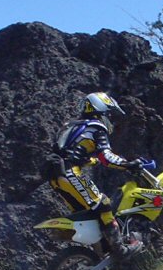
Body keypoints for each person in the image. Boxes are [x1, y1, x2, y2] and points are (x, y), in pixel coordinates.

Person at [49, 91, 146, 259]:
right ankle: (120, 249)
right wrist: (128, 164)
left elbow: (69, 153)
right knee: (103, 204)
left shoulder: (72, 126)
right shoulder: (96, 127)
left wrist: (91, 161)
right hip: (71, 173)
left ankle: (99, 250)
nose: (109, 119)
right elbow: (107, 157)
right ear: (100, 110)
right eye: (108, 114)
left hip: (55, 177)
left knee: (89, 212)